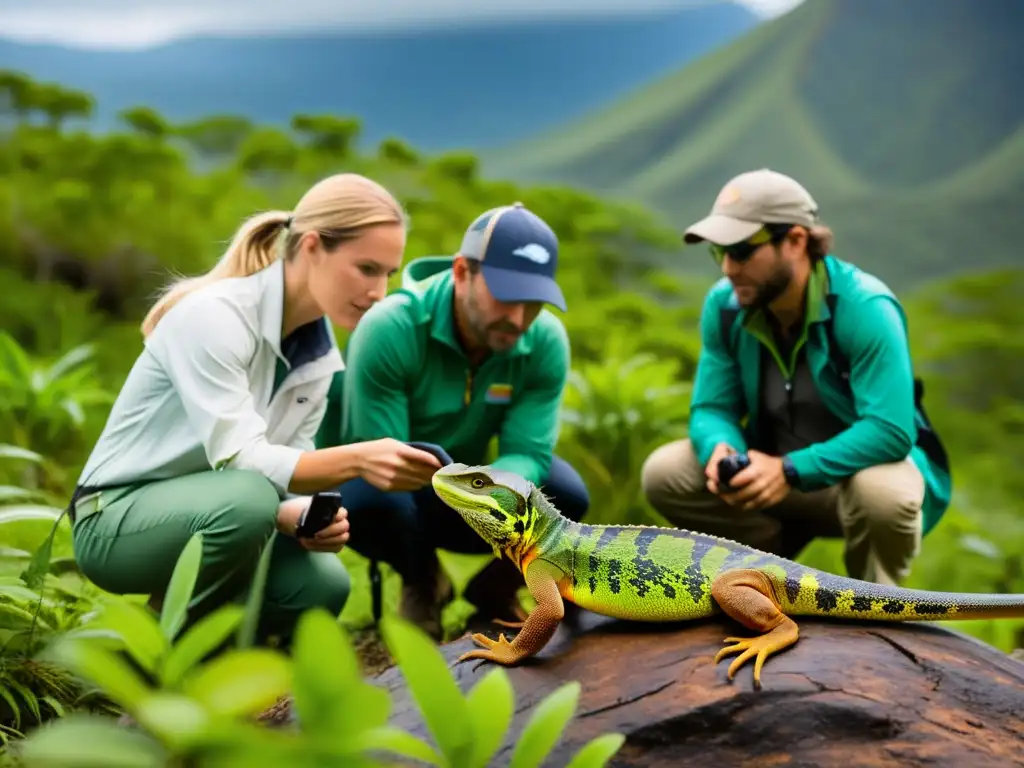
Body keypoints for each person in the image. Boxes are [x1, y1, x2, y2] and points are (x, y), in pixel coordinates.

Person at [68, 173, 444, 647]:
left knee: (323, 585)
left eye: (388, 274)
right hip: (114, 520)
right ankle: (167, 665)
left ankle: (205, 652)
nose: (379, 293)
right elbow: (241, 460)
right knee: (247, 501)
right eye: (366, 268)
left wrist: (303, 513)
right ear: (311, 247)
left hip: (215, 507)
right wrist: (359, 459)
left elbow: (286, 464)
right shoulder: (216, 316)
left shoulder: (319, 356)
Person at [641, 168, 951, 586]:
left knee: (881, 492)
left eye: (742, 251)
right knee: (665, 473)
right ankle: (766, 571)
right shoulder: (726, 306)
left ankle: (877, 599)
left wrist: (789, 470)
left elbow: (890, 431)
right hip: (771, 475)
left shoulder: (865, 307)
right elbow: (712, 408)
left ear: (796, 241)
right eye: (719, 253)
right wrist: (720, 450)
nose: (729, 269)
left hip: (849, 482)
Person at [318, 202, 590, 639]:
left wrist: (486, 487)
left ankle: (496, 587)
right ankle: (422, 578)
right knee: (369, 503)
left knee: (566, 495)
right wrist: (463, 486)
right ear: (463, 272)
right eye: (507, 297)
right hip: (397, 487)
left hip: (471, 486)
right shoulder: (390, 327)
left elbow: (529, 453)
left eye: (534, 303)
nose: (519, 319)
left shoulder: (544, 341)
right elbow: (384, 453)